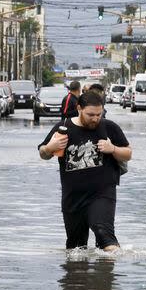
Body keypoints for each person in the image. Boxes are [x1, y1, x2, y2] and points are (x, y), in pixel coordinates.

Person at [38, 91, 132, 253]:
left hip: (102, 192)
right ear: (79, 108)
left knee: (104, 233)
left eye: (98, 114)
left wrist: (113, 149)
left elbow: (128, 153)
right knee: (75, 248)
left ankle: (110, 273)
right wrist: (50, 148)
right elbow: (43, 153)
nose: (95, 118)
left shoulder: (109, 127)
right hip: (73, 196)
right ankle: (77, 277)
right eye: (90, 114)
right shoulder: (64, 127)